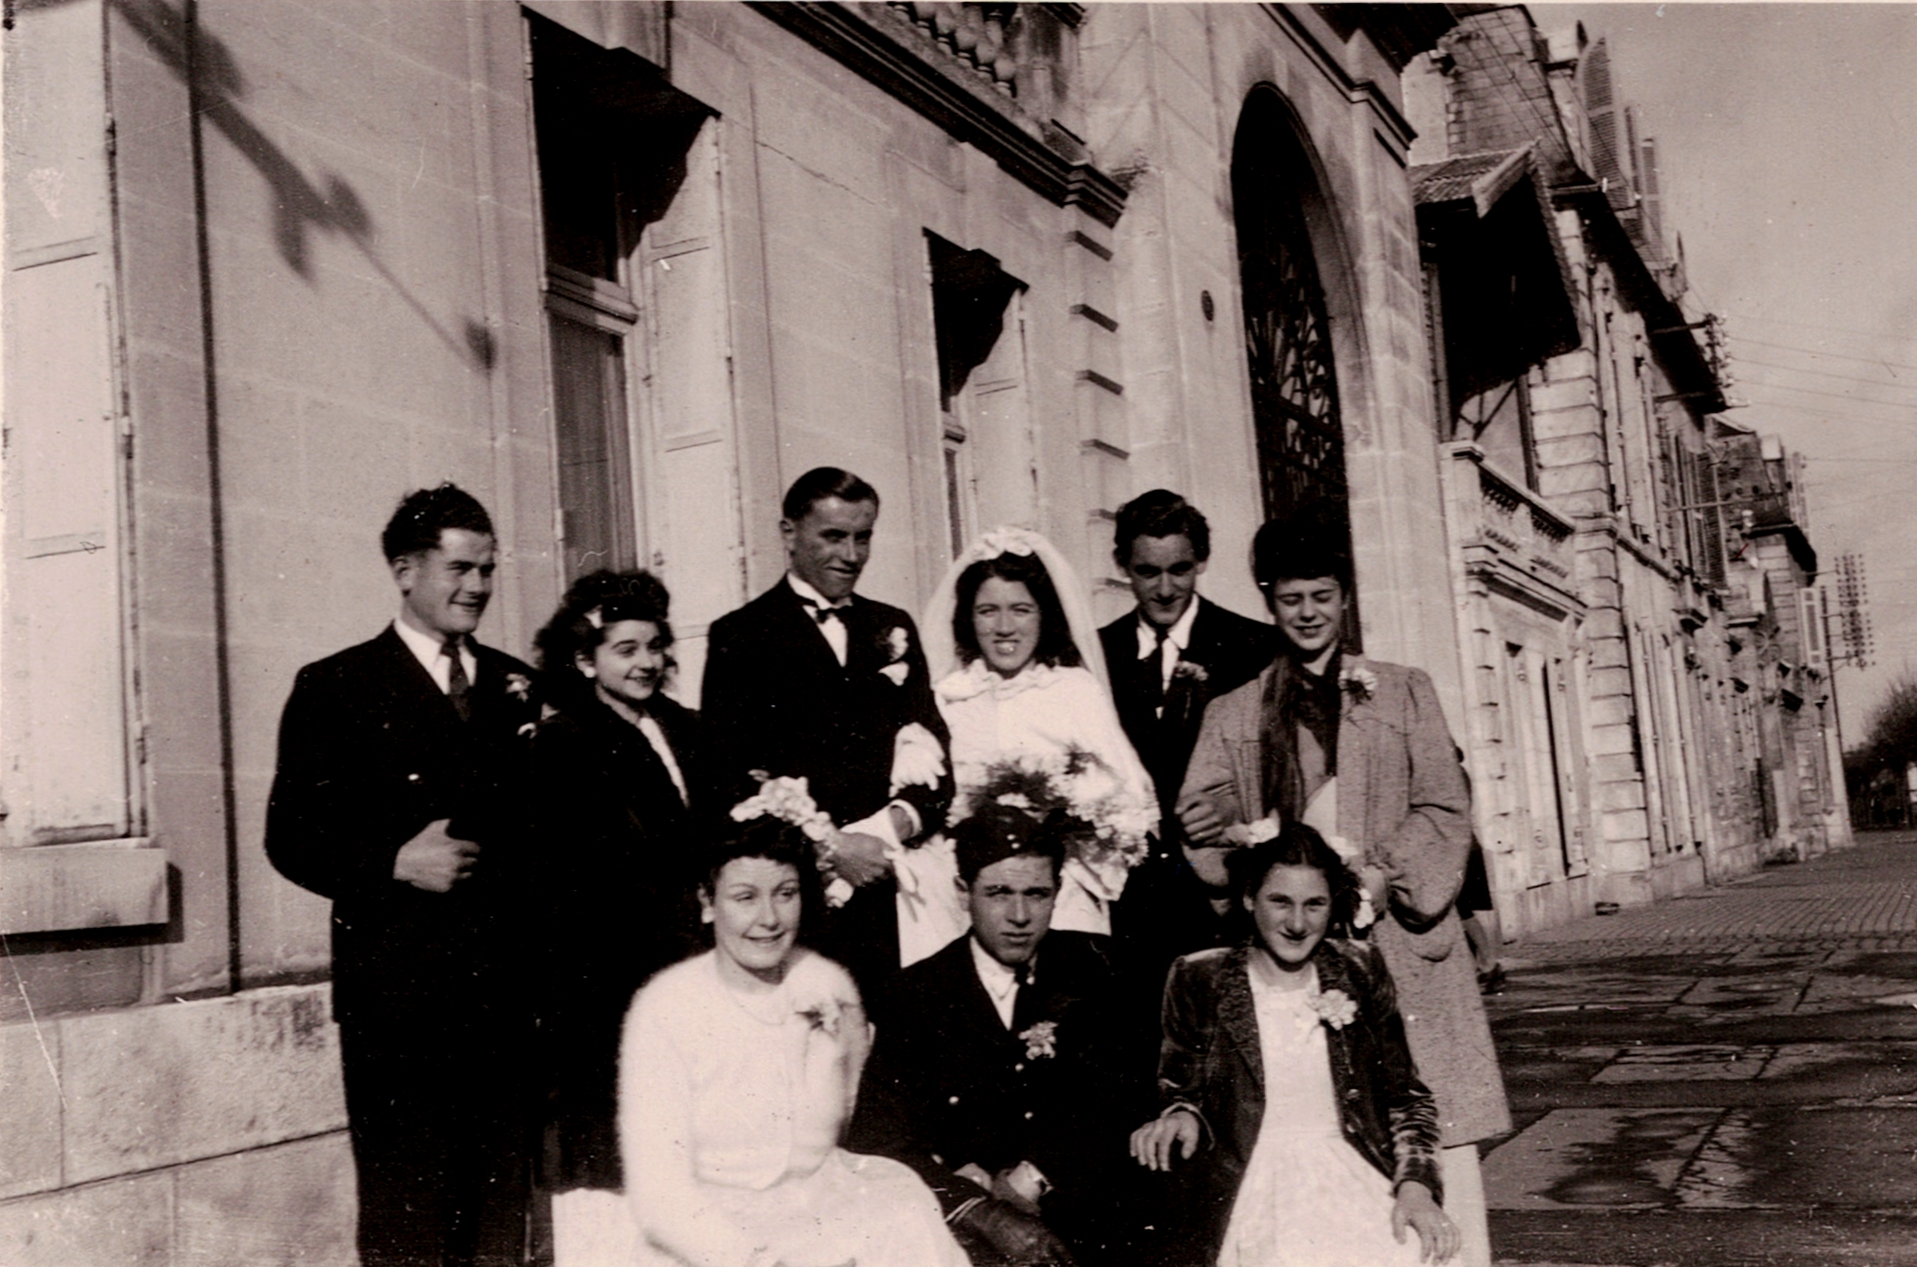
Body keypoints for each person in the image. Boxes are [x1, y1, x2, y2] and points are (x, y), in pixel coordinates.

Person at [1177, 514, 1511, 1267]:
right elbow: (1200, 831)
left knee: (1431, 1127)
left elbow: (1444, 806)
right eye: (1289, 596)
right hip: (1294, 958)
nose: (1306, 612)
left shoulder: (1403, 691)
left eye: (1321, 595)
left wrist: (1381, 870)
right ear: (1268, 600)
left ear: (1344, 597)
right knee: (1324, 1136)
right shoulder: (1233, 711)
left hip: (1400, 942)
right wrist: (1229, 831)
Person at [265, 484, 542, 1267]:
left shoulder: (518, 686)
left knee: (497, 1213)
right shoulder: (337, 686)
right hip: (400, 1002)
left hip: (503, 999)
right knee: (407, 1211)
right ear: (403, 569)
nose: (478, 586)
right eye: (460, 567)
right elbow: (289, 836)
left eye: (488, 568)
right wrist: (391, 862)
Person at [618, 818, 970, 1267]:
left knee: (905, 1213)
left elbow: (845, 1130)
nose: (769, 919)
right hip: (706, 1214)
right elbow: (658, 1186)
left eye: (786, 894)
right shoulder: (666, 1007)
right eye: (745, 897)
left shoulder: (828, 985)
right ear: (708, 903)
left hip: (818, 1196)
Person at [1130, 823, 1459, 1267]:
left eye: (1315, 904)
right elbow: (1181, 1090)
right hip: (1251, 1179)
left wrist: (1416, 1188)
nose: (1298, 924)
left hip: (1352, 1167)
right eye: (1280, 902)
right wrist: (1182, 1115)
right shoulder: (1200, 977)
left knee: (1417, 1253)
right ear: (1249, 898)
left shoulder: (1358, 968)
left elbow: (1407, 1097)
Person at [848, 803, 1139, 1266]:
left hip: (1087, 1215)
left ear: (1058, 892)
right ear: (964, 892)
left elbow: (1126, 1096)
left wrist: (1039, 1172)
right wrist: (978, 1208)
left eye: (1037, 894)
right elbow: (879, 1140)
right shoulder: (913, 994)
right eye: (999, 893)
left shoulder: (1099, 968)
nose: (1019, 915)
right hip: (966, 1231)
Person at [701, 467, 953, 997]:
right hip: (798, 898)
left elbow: (935, 761)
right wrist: (833, 846)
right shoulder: (740, 636)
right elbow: (730, 778)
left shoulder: (893, 627)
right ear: (789, 534)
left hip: (891, 890)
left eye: (864, 537)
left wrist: (884, 834)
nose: (852, 555)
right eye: (834, 536)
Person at [527, 569, 708, 1264]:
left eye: (654, 646)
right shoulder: (567, 744)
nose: (645, 662)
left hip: (699, 964)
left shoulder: (687, 728)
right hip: (613, 982)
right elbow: (581, 878)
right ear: (585, 659)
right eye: (625, 649)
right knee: (621, 1164)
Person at [919, 527, 1157, 940]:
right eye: (987, 610)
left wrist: (1071, 815)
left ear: (1043, 615)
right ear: (968, 618)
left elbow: (1130, 801)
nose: (1004, 626)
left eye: (1021, 609)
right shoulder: (949, 697)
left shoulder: (1074, 691)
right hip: (963, 896)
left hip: (1061, 894)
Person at [1097, 491, 1276, 992]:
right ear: (1121, 566)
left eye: (1180, 569)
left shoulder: (1254, 648)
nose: (1165, 588)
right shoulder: (1094, 654)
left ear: (1202, 562)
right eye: (1146, 572)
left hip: (1222, 899)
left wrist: (1232, 808)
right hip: (1127, 908)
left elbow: (1290, 773)